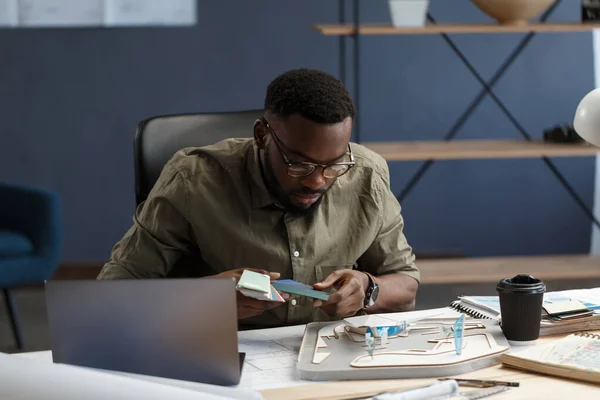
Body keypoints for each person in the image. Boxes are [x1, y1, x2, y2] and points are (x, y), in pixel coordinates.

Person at [98, 68, 420, 329]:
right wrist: (204, 298)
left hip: (332, 361)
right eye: (300, 164)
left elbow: (406, 285)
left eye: (334, 165)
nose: (317, 180)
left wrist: (367, 288)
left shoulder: (367, 175)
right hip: (228, 359)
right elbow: (110, 295)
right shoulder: (192, 180)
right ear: (261, 136)